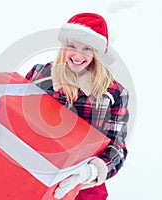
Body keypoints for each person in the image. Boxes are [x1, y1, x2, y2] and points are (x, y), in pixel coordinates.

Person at [25, 13, 129, 200]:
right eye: (71, 46)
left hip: (83, 190)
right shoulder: (40, 74)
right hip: (33, 179)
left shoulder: (114, 94)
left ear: (97, 53)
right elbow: (13, 114)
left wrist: (88, 172)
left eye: (87, 49)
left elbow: (117, 148)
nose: (77, 55)